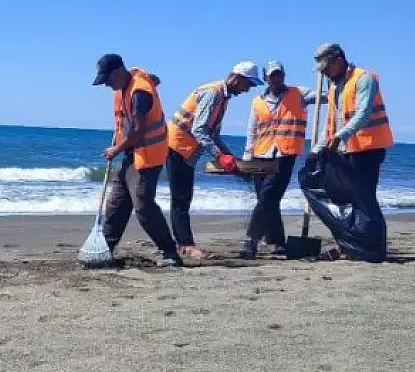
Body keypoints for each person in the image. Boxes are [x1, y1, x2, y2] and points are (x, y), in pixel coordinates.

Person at [91, 54, 183, 268]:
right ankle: (105, 248)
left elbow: (139, 130)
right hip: (132, 153)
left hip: (149, 154)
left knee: (143, 204)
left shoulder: (139, 92)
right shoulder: (128, 84)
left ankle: (170, 253)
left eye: (107, 80)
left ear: (118, 72)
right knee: (116, 202)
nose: (106, 85)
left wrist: (116, 148)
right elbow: (153, 79)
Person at [304, 42, 393, 261]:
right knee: (344, 201)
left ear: (338, 60)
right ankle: (349, 246)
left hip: (367, 149)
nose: (324, 73)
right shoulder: (334, 87)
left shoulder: (364, 79)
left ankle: (371, 249)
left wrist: (340, 137)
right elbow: (331, 123)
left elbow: (362, 115)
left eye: (327, 68)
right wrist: (316, 150)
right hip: (344, 152)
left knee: (364, 201)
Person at [165, 61, 263, 259]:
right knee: (180, 199)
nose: (248, 90)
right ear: (236, 78)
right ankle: (185, 245)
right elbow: (199, 130)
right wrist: (219, 155)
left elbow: (214, 134)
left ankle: (183, 243)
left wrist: (232, 159)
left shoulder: (223, 97)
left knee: (184, 198)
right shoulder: (214, 93)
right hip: (176, 146)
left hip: (186, 150)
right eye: (248, 84)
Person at [238, 60, 320, 259]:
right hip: (260, 154)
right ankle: (278, 243)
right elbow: (252, 130)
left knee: (267, 198)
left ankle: (251, 241)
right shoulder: (258, 101)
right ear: (266, 78)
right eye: (272, 75)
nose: (276, 79)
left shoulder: (299, 94)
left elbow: (325, 97)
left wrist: (328, 83)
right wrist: (247, 157)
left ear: (283, 76)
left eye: (279, 75)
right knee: (268, 201)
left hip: (285, 154)